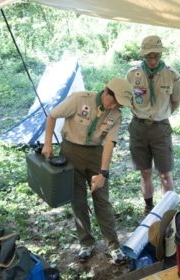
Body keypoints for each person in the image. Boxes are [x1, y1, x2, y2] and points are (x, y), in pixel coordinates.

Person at [41, 78, 133, 260]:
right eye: (113, 101)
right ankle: (86, 243)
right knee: (78, 200)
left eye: (119, 105)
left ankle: (113, 246)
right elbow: (52, 115)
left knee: (102, 200)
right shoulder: (79, 100)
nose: (114, 106)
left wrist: (103, 173)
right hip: (71, 151)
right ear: (106, 91)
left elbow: (109, 144)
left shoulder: (116, 114)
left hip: (96, 155)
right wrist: (48, 144)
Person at [126, 35, 180, 215]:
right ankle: (149, 207)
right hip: (138, 127)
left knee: (165, 174)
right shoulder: (132, 74)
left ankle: (168, 212)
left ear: (161, 55)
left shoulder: (171, 75)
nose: (152, 60)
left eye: (156, 56)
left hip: (160, 128)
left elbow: (175, 101)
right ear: (143, 55)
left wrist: (161, 115)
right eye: (149, 56)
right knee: (145, 172)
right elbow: (127, 99)